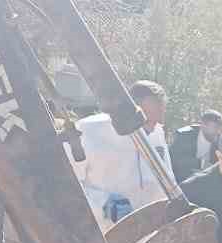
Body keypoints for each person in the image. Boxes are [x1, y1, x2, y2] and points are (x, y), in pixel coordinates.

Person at [70, 80, 177, 230]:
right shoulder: (87, 131)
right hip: (104, 234)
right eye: (148, 119)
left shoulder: (156, 131)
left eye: (158, 118)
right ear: (129, 108)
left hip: (150, 232)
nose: (154, 126)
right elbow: (67, 185)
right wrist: (103, 204)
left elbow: (167, 179)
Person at [170, 109, 222, 180]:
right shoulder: (184, 136)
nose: (218, 131)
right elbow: (175, 159)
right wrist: (201, 163)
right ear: (203, 125)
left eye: (220, 128)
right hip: (182, 179)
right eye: (215, 127)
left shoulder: (221, 140)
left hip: (206, 180)